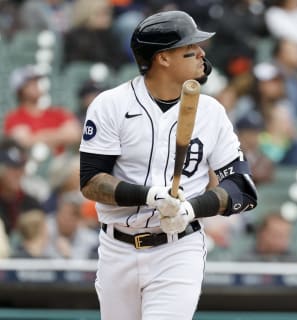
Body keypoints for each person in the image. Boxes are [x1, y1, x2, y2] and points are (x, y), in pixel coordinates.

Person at [79, 11, 258, 320]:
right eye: (191, 49)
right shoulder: (111, 105)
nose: (202, 54)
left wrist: (192, 208)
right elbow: (91, 180)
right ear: (163, 58)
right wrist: (149, 196)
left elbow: (242, 189)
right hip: (117, 247)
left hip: (178, 249)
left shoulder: (211, 112)